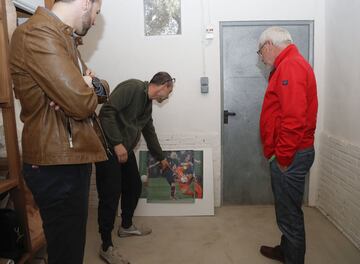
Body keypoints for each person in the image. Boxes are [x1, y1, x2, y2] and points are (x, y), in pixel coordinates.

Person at [10, 1, 108, 263]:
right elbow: (79, 103)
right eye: (97, 12)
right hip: (57, 163)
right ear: (86, 4)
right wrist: (82, 88)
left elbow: (99, 90)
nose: (96, 21)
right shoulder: (39, 33)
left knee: (70, 248)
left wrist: (89, 85)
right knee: (67, 254)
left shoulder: (63, 37)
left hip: (67, 158)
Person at [96, 72, 174, 264]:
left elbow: (149, 131)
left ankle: (126, 226)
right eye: (169, 91)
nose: (168, 95)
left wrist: (161, 158)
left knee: (134, 186)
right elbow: (106, 112)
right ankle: (106, 246)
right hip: (108, 148)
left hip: (124, 149)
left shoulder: (148, 105)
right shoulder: (132, 88)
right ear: (163, 85)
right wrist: (116, 143)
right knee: (110, 194)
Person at [257, 27, 318, 264]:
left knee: (290, 215)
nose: (260, 57)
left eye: (260, 51)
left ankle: (293, 258)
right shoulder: (287, 64)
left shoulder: (290, 66)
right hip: (291, 153)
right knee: (287, 210)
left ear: (269, 44)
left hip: (290, 155)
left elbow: (294, 119)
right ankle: (286, 250)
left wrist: (282, 157)